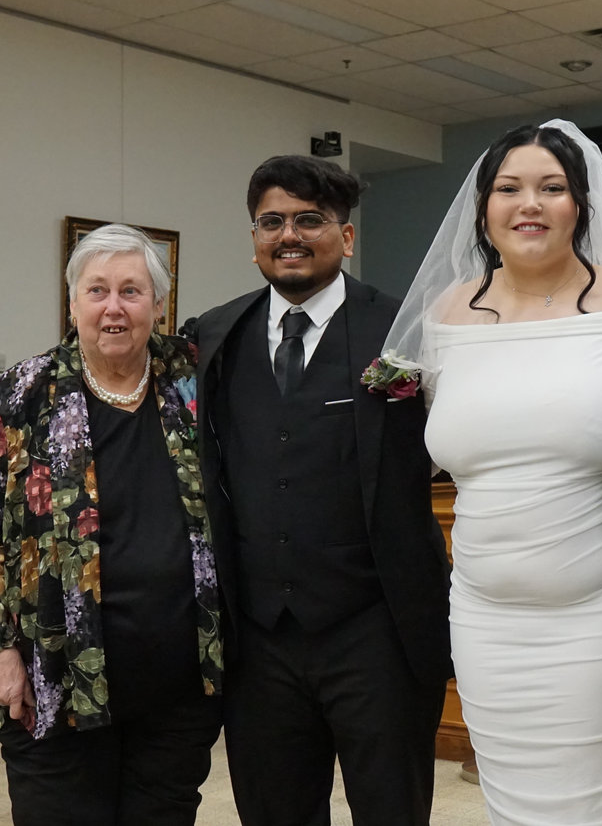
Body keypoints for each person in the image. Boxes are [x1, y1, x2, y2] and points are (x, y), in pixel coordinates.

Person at [382, 119, 602, 824]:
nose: (530, 204)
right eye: (509, 188)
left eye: (552, 188)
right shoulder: (448, 311)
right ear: (483, 208)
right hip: (486, 622)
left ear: (581, 204)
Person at [194, 155, 451, 825]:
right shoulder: (213, 337)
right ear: (253, 238)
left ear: (347, 235)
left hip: (379, 631)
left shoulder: (406, 335)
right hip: (259, 640)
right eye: (271, 221)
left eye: (310, 220)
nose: (290, 235)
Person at [0, 224, 222, 825]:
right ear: (72, 304)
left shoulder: (196, 384)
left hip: (175, 682)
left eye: (132, 291)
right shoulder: (17, 394)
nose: (114, 308)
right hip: (52, 675)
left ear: (160, 304)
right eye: (97, 291)